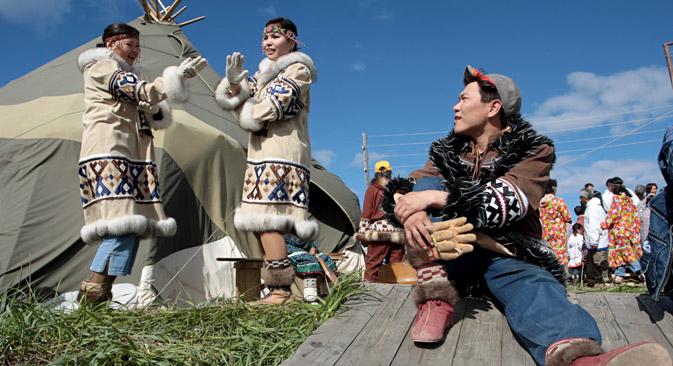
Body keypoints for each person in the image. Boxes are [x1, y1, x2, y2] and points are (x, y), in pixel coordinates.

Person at [382, 65, 670, 365]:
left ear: (493, 107)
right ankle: (435, 296)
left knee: (536, 290)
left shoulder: (533, 150)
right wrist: (410, 209)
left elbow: (509, 201)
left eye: (464, 98)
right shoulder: (445, 152)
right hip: (453, 256)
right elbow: (412, 185)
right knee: (426, 184)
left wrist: (433, 198)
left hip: (508, 253)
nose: (455, 106)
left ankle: (581, 360)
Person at [76, 23, 207, 304]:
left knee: (131, 225)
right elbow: (142, 92)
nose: (135, 52)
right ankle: (93, 293)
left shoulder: (119, 72)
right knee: (121, 224)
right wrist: (174, 77)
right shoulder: (102, 67)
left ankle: (101, 292)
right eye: (129, 45)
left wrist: (171, 90)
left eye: (138, 46)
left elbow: (150, 107)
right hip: (109, 152)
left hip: (127, 155)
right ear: (111, 44)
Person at [215, 18, 317, 305]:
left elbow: (274, 104)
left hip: (282, 150)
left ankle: (281, 291)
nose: (268, 42)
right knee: (260, 220)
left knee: (266, 216)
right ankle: (278, 290)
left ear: (292, 40)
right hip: (262, 152)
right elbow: (238, 95)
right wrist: (234, 82)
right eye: (264, 38)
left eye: (275, 37)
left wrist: (248, 107)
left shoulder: (298, 69)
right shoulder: (263, 74)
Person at [357, 160, 405, 282]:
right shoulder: (398, 191)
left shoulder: (372, 190)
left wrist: (362, 236)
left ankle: (370, 296)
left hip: (379, 232)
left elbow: (366, 216)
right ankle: (398, 296)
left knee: (372, 267)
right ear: (390, 172)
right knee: (397, 267)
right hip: (397, 232)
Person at [601, 179, 644, 284]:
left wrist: (604, 224)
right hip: (630, 230)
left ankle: (640, 271)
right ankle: (619, 275)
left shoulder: (617, 199)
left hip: (620, 230)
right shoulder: (629, 199)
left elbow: (613, 214)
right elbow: (635, 215)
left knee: (625, 251)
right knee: (620, 252)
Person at [284, 235, 337, 304]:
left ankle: (328, 293)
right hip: (288, 247)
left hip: (304, 247)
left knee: (324, 259)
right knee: (310, 261)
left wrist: (312, 247)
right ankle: (311, 298)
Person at [579, 188, 611, 287]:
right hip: (597, 239)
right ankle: (597, 281)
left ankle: (604, 281)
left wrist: (593, 241)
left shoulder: (592, 208)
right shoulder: (595, 207)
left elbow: (593, 226)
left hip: (597, 241)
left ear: (584, 198)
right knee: (593, 263)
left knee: (599, 262)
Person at [539, 179, 573, 265]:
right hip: (558, 232)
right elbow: (567, 217)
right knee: (559, 255)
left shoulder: (539, 202)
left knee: (546, 252)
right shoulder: (558, 201)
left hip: (544, 231)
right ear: (554, 189)